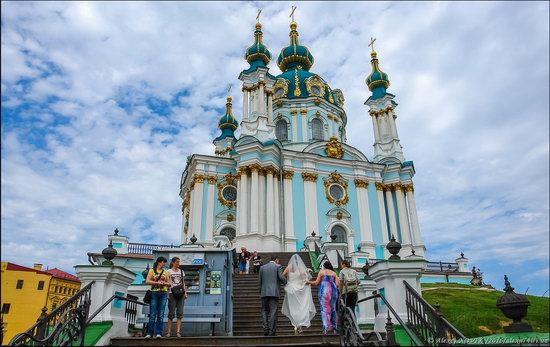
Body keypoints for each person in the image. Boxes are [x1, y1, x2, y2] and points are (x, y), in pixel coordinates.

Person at [282, 254, 316, 334]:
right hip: (298, 289)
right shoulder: (300, 269)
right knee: (300, 308)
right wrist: (307, 271)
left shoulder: (289, 267)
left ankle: (295, 326)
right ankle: (299, 326)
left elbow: (283, 275)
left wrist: (287, 282)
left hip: (290, 290)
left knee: (293, 308)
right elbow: (304, 278)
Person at [308, 261, 340, 334]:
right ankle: (334, 327)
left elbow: (316, 282)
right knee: (333, 309)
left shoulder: (322, 272)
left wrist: (308, 282)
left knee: (324, 309)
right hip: (333, 292)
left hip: (324, 291)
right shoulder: (334, 273)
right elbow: (337, 284)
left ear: (324, 266)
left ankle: (326, 327)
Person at [259, 255, 287, 336]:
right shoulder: (278, 266)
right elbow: (281, 277)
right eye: (278, 260)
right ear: (276, 260)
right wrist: (287, 283)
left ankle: (265, 328)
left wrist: (260, 292)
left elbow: (259, 282)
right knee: (273, 311)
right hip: (274, 292)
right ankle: (271, 330)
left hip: (264, 292)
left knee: (264, 310)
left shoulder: (262, 267)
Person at [145, 256, 170, 338]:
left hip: (163, 293)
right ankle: (149, 333)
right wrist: (156, 283)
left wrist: (163, 283)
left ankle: (159, 333)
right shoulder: (152, 270)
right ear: (159, 262)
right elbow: (147, 281)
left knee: (161, 314)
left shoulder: (165, 272)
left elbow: (169, 283)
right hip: (154, 293)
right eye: (163, 262)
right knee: (152, 314)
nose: (164, 264)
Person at [166, 257, 188, 337]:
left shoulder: (182, 271)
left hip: (180, 293)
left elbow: (183, 282)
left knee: (180, 313)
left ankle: (178, 332)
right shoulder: (168, 271)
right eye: (177, 262)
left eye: (179, 262)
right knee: (171, 313)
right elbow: (167, 282)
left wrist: (185, 292)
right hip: (172, 293)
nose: (178, 264)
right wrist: (167, 293)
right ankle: (168, 332)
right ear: (173, 262)